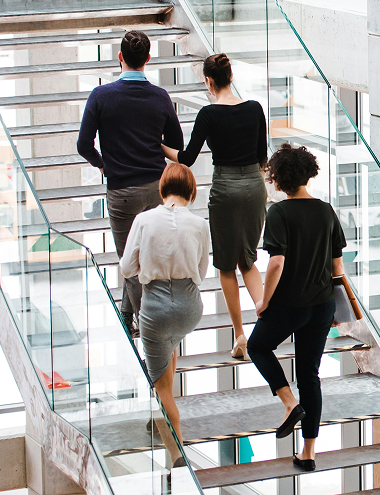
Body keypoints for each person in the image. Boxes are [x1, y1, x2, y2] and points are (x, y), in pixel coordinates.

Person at [77, 30, 184, 337]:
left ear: (120, 57)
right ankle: (128, 315)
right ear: (148, 59)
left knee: (129, 261)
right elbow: (175, 143)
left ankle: (146, 324)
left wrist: (103, 164)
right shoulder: (160, 97)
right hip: (155, 188)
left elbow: (84, 145)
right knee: (147, 254)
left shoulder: (101, 96)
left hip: (120, 191)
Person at [247, 143, 347, 473]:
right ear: (307, 173)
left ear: (278, 178)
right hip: (321, 307)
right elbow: (338, 270)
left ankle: (290, 405)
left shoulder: (279, 213)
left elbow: (276, 263)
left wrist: (264, 301)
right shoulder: (327, 211)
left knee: (257, 346)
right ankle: (308, 454)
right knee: (310, 376)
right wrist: (338, 312)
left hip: (290, 305)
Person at [162, 53, 267, 359]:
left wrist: (158, 145)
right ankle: (265, 322)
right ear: (231, 76)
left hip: (225, 189)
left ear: (209, 81)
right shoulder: (255, 109)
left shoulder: (208, 114)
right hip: (254, 186)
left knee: (226, 264)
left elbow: (187, 158)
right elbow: (262, 155)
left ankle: (238, 336)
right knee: (248, 260)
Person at [119, 163, 210, 468]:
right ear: (191, 190)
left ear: (162, 189)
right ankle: (162, 427)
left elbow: (126, 269)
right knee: (169, 349)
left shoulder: (144, 220)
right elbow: (201, 272)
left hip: (155, 307)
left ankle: (177, 453)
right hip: (189, 307)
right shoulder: (199, 225)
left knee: (161, 388)